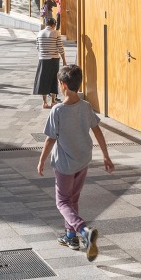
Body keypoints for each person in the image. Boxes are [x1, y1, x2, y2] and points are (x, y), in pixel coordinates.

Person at [37, 64, 114, 261]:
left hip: (65, 165)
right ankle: (70, 236)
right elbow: (97, 130)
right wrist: (106, 155)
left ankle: (83, 231)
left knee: (62, 201)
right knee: (73, 200)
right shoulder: (86, 106)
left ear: (62, 85)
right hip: (82, 161)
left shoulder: (58, 110)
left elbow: (50, 139)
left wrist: (41, 160)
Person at [33, 16, 65, 108]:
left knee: (43, 79)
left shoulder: (39, 33)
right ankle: (53, 101)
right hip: (53, 59)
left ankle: (44, 102)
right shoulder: (55, 33)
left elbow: (37, 47)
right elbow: (60, 48)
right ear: (53, 25)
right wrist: (64, 60)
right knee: (54, 80)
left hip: (42, 59)